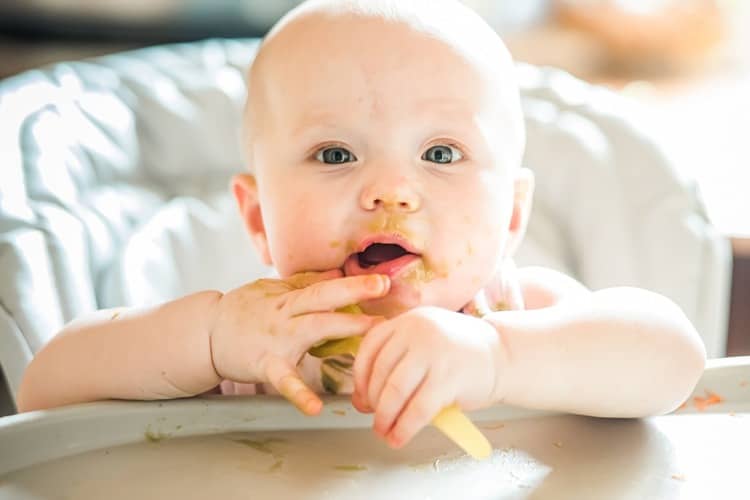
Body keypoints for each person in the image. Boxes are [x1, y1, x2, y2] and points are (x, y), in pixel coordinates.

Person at [16, 0, 705, 451]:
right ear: (259, 218)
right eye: (336, 154)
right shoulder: (260, 348)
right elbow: (41, 389)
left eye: (441, 154)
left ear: (513, 216)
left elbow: (675, 360)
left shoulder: (516, 315)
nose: (391, 193)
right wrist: (212, 336)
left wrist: (498, 360)